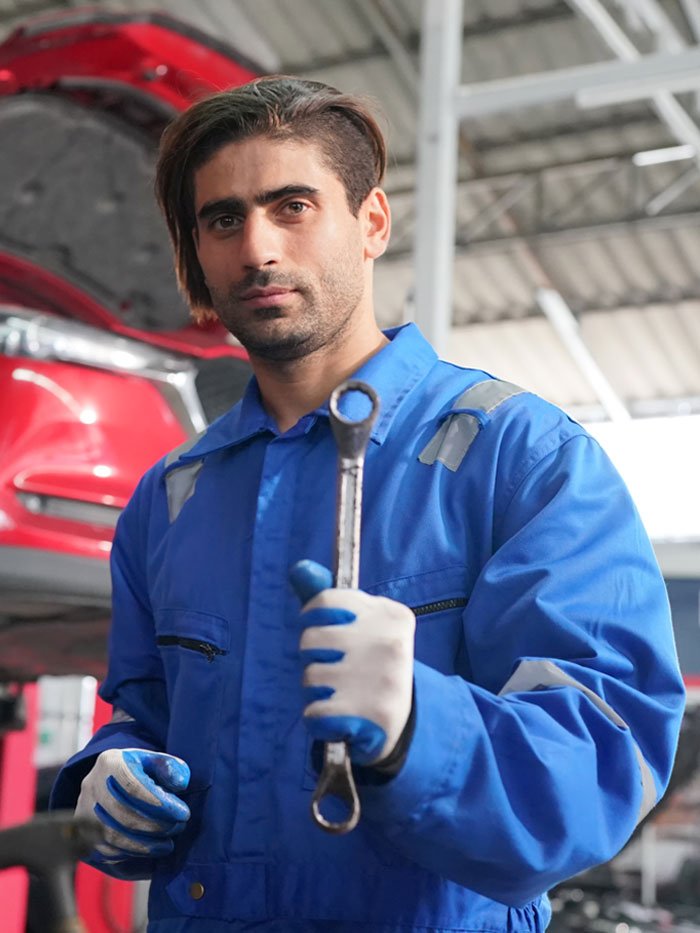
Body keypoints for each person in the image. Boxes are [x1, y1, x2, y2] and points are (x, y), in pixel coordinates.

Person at [50, 75, 685, 932]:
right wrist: (109, 777)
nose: (258, 248)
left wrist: (419, 724)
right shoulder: (170, 499)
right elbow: (144, 715)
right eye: (224, 219)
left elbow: (604, 763)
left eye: (293, 206)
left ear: (373, 222)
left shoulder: (523, 460)